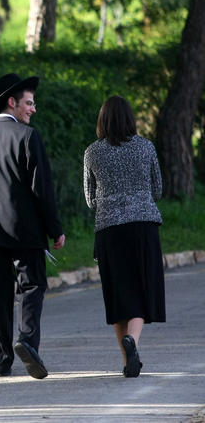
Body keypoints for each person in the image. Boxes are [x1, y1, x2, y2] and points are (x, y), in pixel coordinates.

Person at [0, 73, 65, 379]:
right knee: (32, 286)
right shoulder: (28, 137)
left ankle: (0, 360)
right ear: (12, 102)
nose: (33, 109)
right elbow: (42, 189)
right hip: (26, 231)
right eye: (29, 103)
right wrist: (55, 228)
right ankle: (27, 342)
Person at [83, 95, 165, 378]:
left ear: (102, 120)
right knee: (143, 289)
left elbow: (90, 199)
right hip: (143, 226)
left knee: (119, 295)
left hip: (109, 230)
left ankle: (128, 359)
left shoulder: (92, 152)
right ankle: (134, 342)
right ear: (130, 118)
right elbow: (157, 189)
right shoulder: (146, 147)